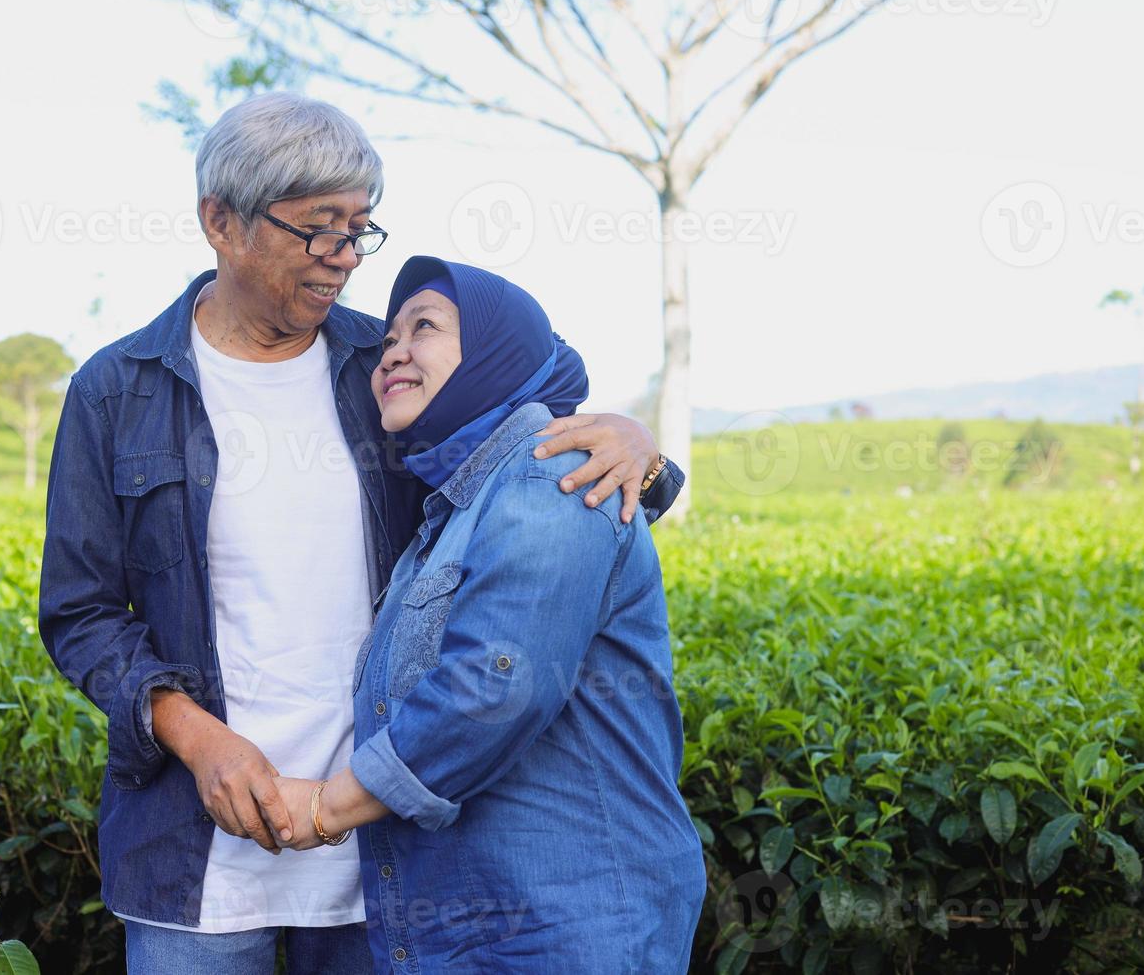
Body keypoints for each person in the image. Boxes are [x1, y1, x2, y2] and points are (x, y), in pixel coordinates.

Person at [37, 93, 683, 975]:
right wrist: (200, 740)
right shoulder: (115, 393)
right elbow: (79, 615)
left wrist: (644, 454)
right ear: (220, 223)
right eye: (317, 230)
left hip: (388, 856)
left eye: (359, 230)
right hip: (195, 855)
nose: (343, 260)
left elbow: (518, 441)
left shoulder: (376, 365)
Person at [271, 256, 706, 973]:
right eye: (388, 341)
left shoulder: (550, 477)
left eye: (427, 327)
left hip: (569, 928)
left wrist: (324, 808)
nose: (396, 351)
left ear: (499, 351)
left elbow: (493, 686)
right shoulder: (452, 510)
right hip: (495, 927)